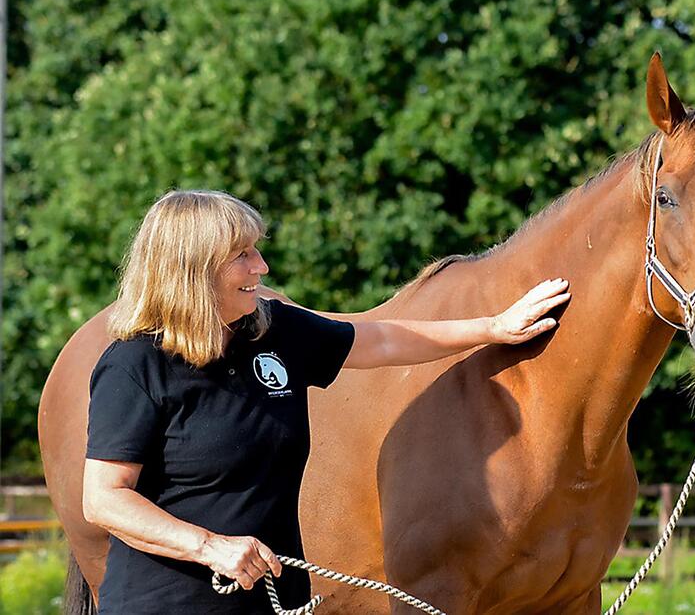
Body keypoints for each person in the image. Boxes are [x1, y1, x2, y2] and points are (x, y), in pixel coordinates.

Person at [82, 189, 571, 613]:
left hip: (275, 599)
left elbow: (379, 341)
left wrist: (493, 327)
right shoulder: (134, 365)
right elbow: (104, 499)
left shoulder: (273, 330)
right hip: (169, 604)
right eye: (243, 255)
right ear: (192, 270)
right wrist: (210, 547)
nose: (262, 267)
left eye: (256, 250)